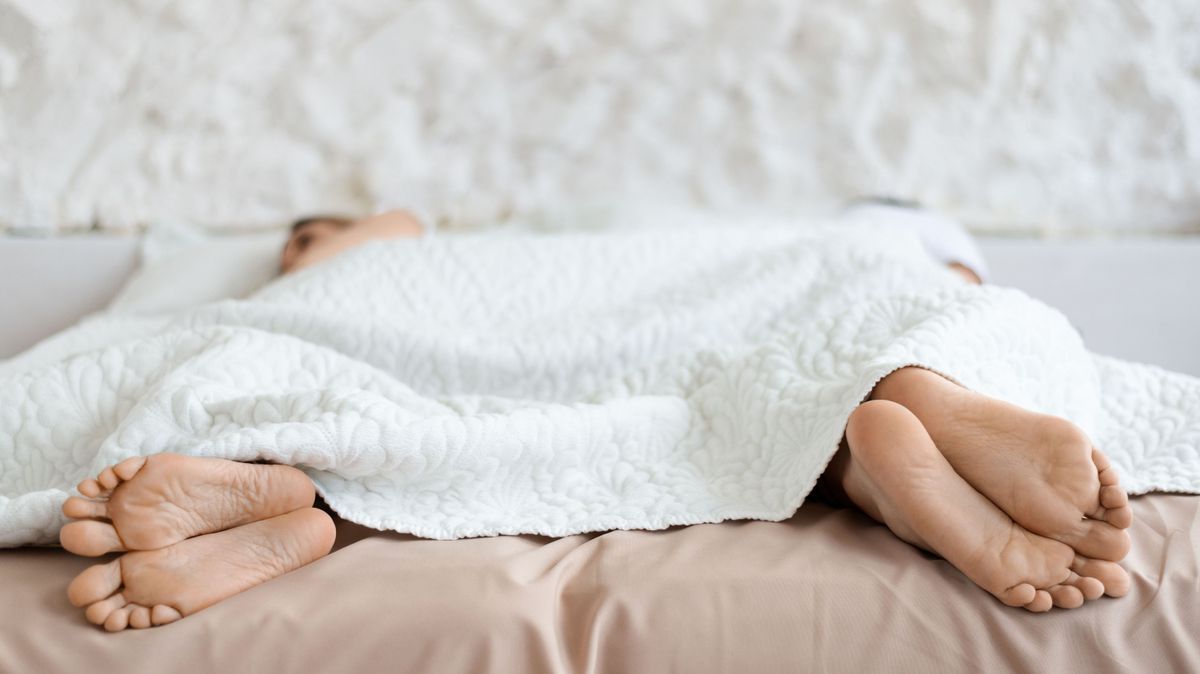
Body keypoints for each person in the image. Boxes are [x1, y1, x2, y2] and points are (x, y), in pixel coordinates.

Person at [58, 209, 1132, 631]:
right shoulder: (868, 230)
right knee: (946, 319)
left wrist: (343, 244)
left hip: (377, 312)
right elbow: (930, 258)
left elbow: (329, 272)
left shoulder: (380, 244)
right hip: (838, 276)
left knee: (268, 357)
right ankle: (912, 396)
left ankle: (284, 468)